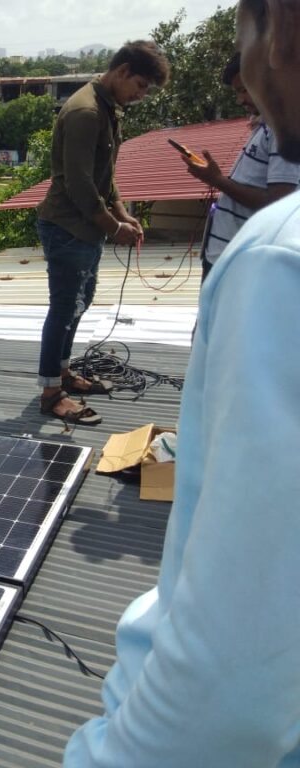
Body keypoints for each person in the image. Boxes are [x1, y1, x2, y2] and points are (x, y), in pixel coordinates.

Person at [65, 1, 300, 764]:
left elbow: (229, 675)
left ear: (282, 32)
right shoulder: (83, 112)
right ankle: (52, 379)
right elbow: (77, 183)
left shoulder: (278, 261)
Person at [36, 41, 170, 425]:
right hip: (66, 226)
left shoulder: (108, 108)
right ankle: (50, 393)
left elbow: (104, 177)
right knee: (63, 309)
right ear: (123, 70)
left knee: (80, 303)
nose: (141, 96)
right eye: (141, 85)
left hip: (86, 229)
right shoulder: (85, 112)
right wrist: (114, 228)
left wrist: (124, 216)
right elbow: (79, 184)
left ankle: (61, 373)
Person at [183, 51, 300, 281]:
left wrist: (218, 181)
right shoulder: (267, 124)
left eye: (244, 89)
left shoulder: (284, 129)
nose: (240, 100)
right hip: (226, 257)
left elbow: (278, 200)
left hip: (241, 264)